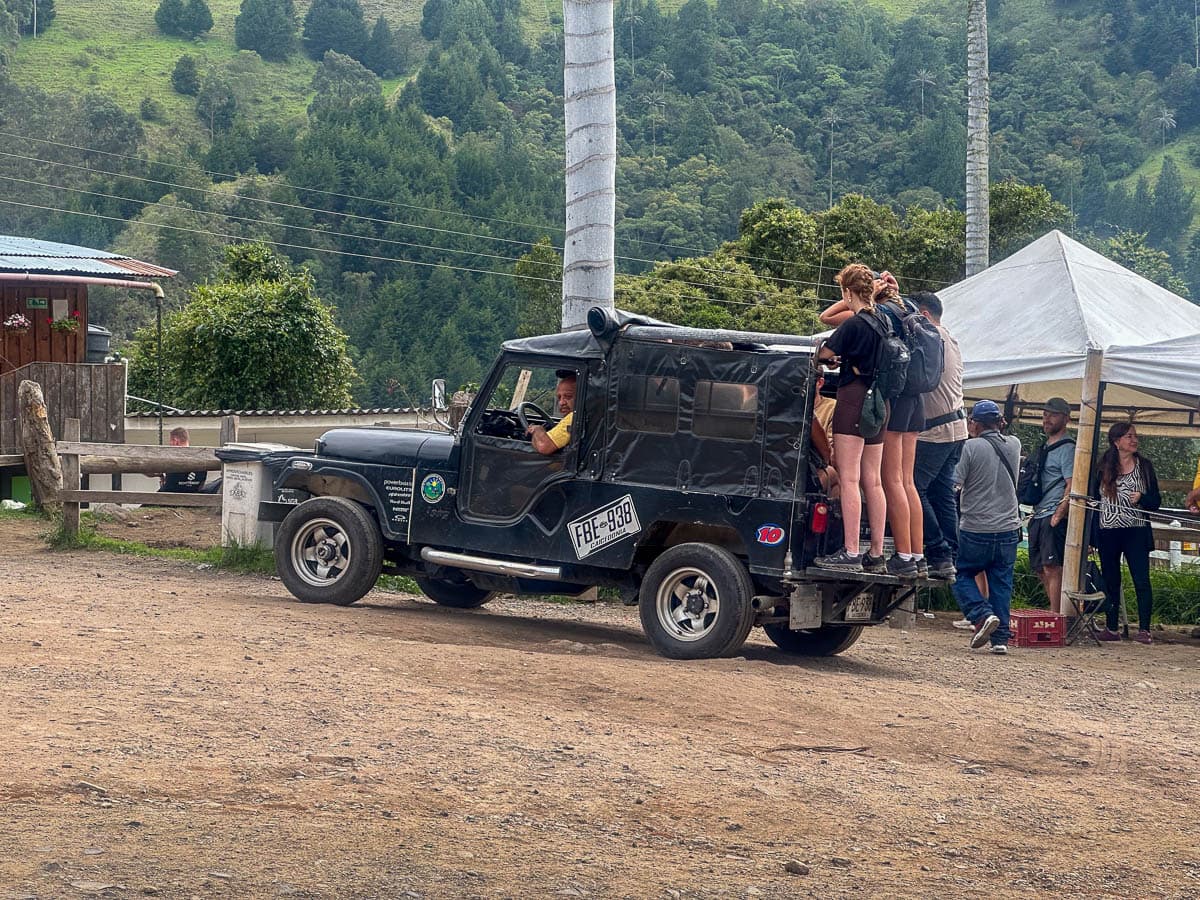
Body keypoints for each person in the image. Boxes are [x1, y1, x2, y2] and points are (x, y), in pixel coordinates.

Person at [813, 263, 888, 573]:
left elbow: (823, 355)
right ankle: (876, 553)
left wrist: (833, 359)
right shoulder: (883, 321)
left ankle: (850, 551)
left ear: (847, 292)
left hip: (854, 399)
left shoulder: (854, 324)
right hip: (880, 403)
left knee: (849, 477)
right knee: (874, 479)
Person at [951, 400, 1021, 655]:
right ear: (999, 422)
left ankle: (981, 615)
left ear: (976, 424)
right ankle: (1000, 639)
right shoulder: (1014, 444)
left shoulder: (970, 447)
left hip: (975, 528)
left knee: (958, 574)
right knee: (1001, 583)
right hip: (1008, 528)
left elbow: (955, 483)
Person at [911, 291, 966, 582]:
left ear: (924, 314)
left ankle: (937, 549)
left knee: (913, 487)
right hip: (957, 427)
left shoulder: (929, 336)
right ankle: (950, 554)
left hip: (936, 430)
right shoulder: (950, 338)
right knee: (941, 492)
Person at [1089, 423, 1160, 644]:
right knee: (1111, 579)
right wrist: (1092, 536)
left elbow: (1156, 501)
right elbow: (1093, 503)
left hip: (1136, 531)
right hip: (1108, 530)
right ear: (1116, 441)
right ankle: (1111, 627)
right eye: (1129, 436)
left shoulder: (1145, 467)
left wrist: (1142, 498)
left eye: (1135, 436)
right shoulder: (1102, 468)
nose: (1134, 440)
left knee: (1141, 579)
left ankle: (1145, 629)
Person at [875, 277, 925, 579]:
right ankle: (917, 555)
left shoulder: (882, 314)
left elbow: (828, 316)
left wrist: (870, 292)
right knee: (907, 481)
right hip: (917, 401)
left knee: (891, 480)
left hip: (897, 399)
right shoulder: (909, 310)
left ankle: (903, 555)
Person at [1027, 397, 1075, 613]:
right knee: (1039, 567)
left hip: (1052, 513)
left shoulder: (1068, 448)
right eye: (1045, 414)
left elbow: (1072, 483)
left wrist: (1059, 513)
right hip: (1039, 513)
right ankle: (1053, 610)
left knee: (1052, 566)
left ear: (1066, 418)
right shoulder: (1045, 446)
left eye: (1053, 415)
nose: (1047, 419)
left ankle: (1057, 616)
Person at [527, 372, 576, 455]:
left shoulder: (574, 418)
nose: (561, 403)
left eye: (568, 396)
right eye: (559, 397)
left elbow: (543, 446)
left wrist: (537, 430)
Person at [158, 427, 205, 493]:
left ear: (175, 441)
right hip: (194, 498)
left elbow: (151, 472)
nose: (170, 445)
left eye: (170, 442)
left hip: (170, 497)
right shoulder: (202, 457)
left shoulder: (171, 457)